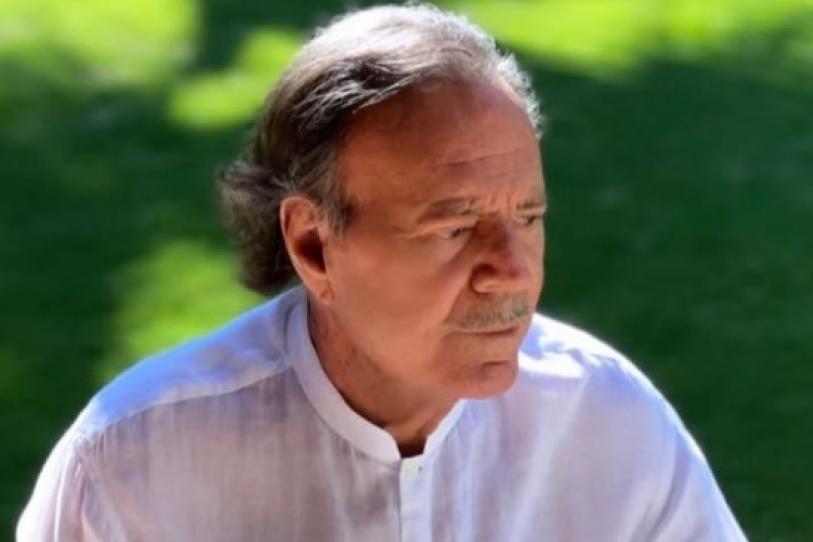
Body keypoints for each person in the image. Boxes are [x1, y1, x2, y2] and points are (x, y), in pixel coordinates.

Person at [18, 4, 748, 541]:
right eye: (452, 227)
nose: (511, 271)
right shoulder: (130, 465)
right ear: (313, 246)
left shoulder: (608, 420)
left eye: (528, 217)